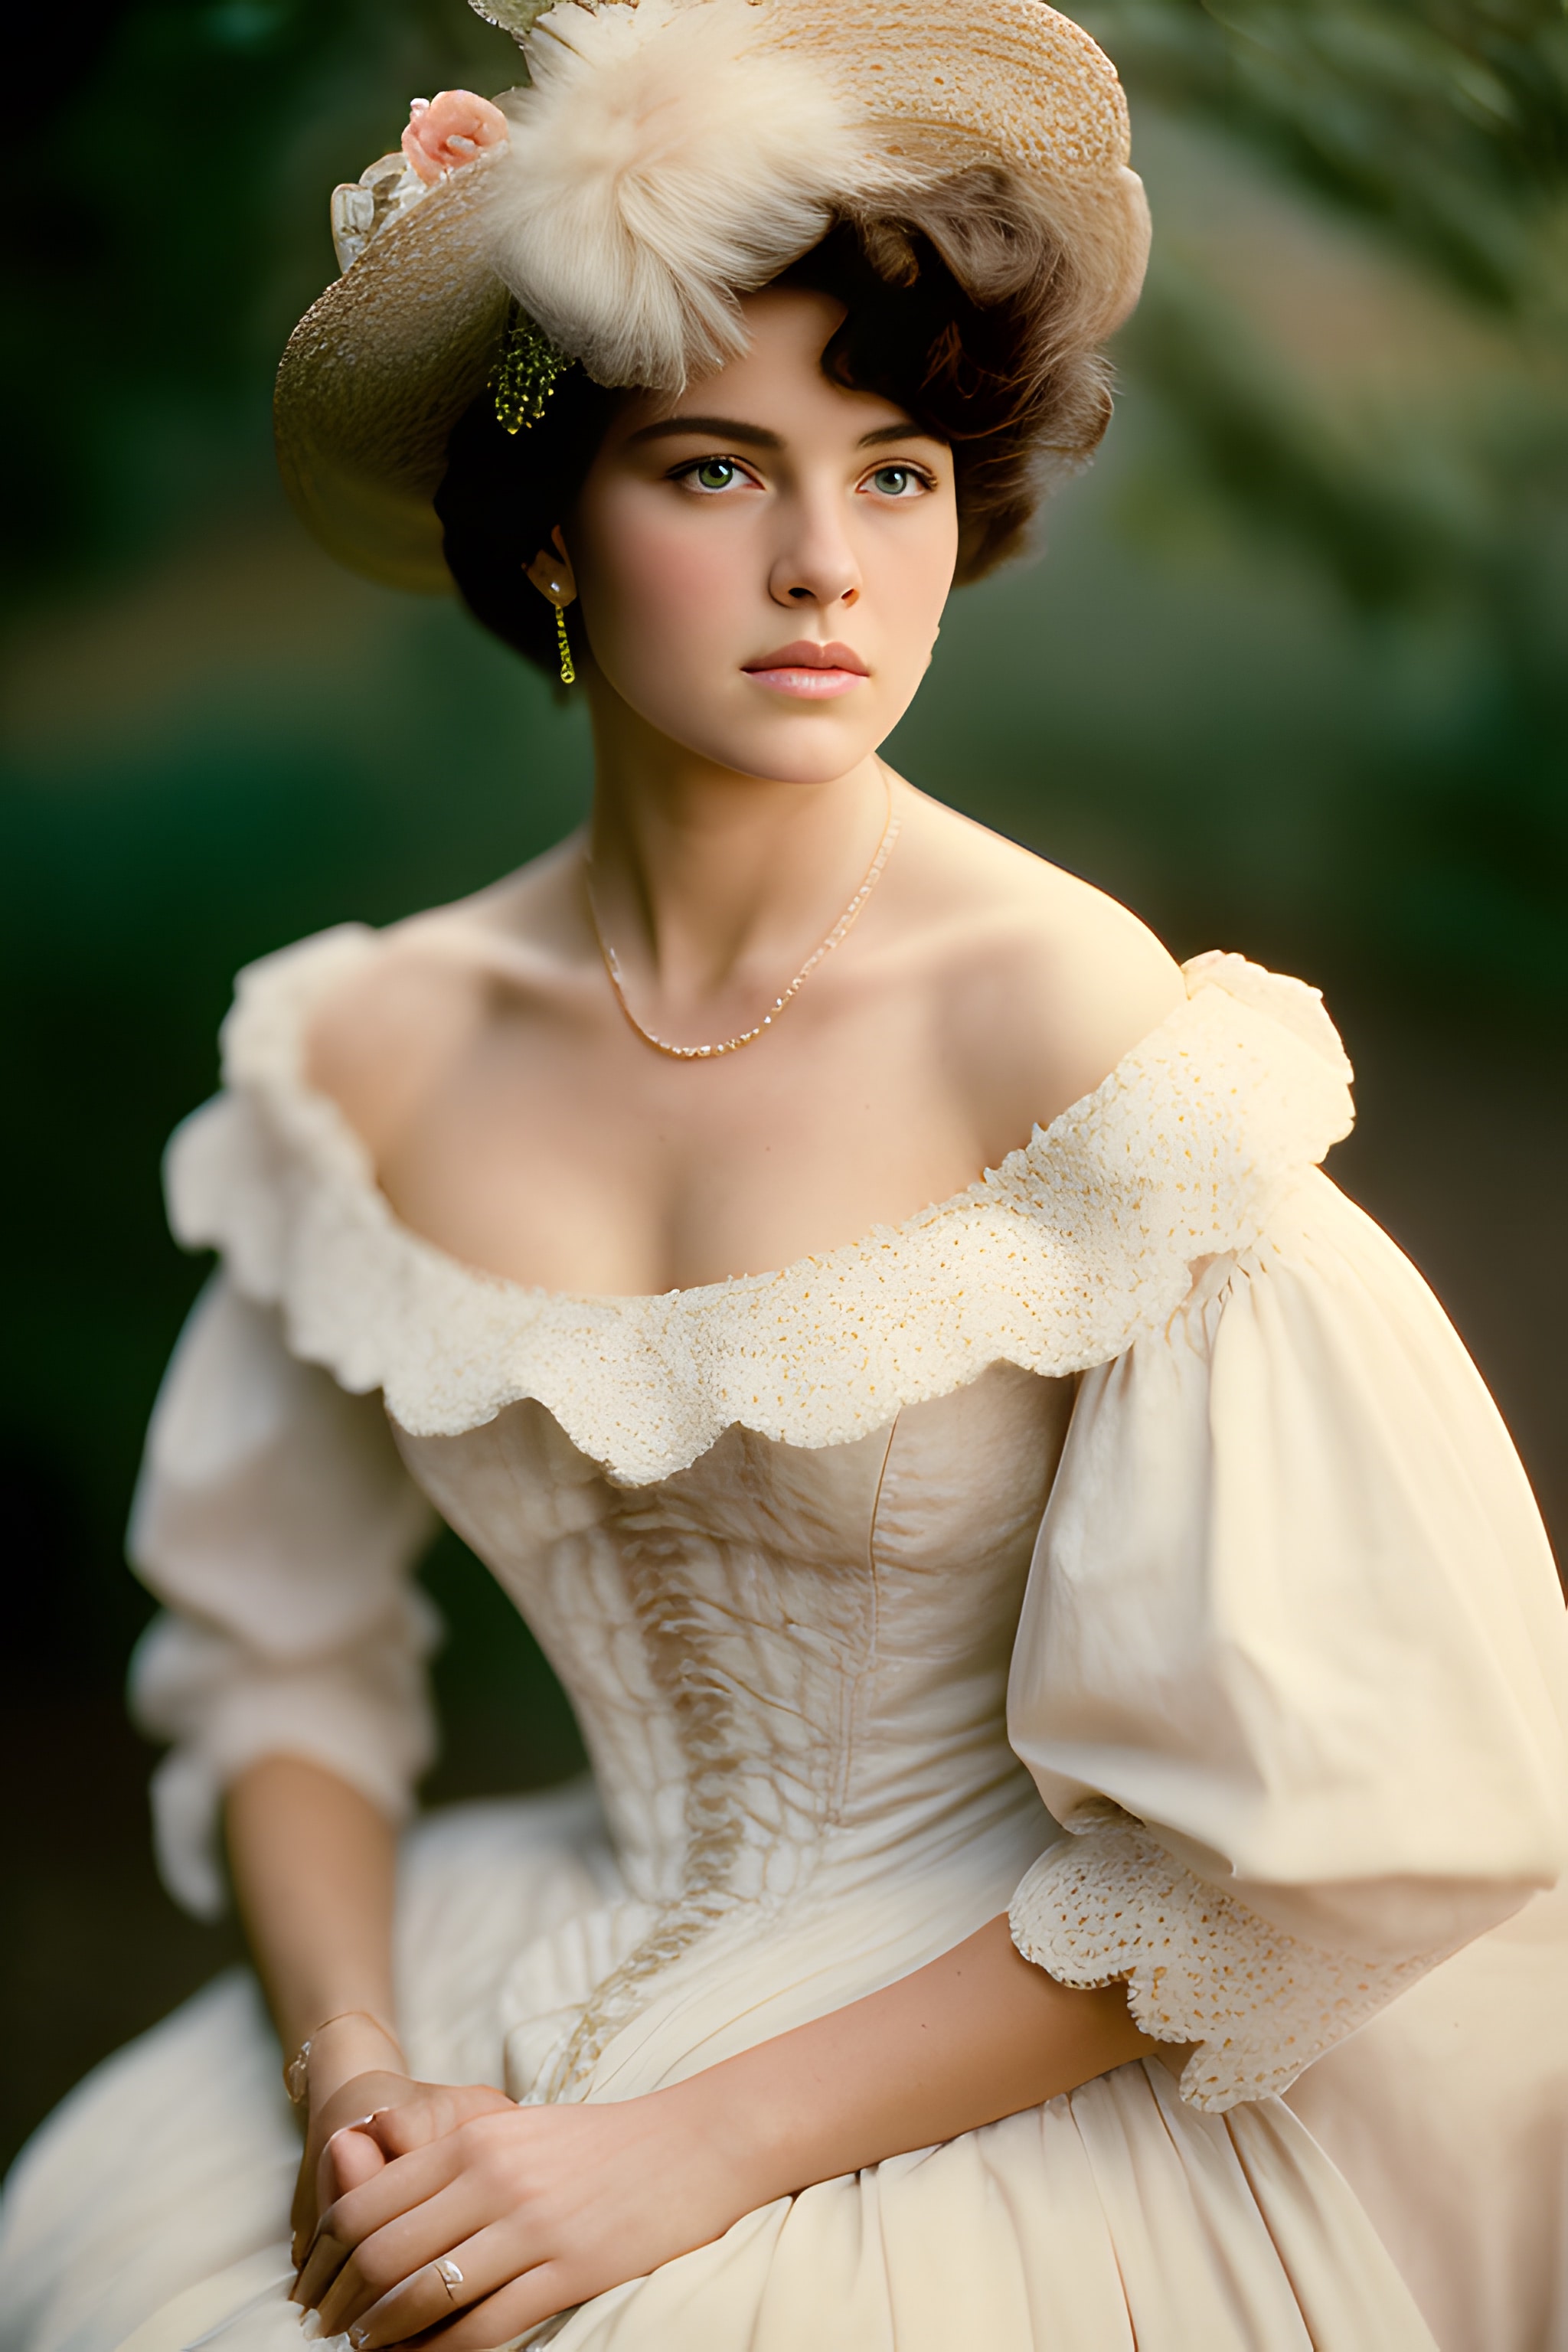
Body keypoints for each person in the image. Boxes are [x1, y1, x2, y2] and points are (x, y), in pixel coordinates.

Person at [4, 2, 1566, 2348]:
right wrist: (356, 2067)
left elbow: (1330, 1813)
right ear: (549, 528)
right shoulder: (365, 1049)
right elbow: (278, 1654)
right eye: (719, 470)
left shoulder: (1077, 1030)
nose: (827, 563)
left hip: (1005, 2049)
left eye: (901, 471)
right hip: (507, 1967)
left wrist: (670, 2160)